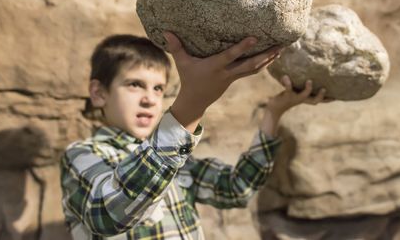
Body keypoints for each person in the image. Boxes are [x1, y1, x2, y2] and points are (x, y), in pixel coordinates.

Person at [60, 32, 326, 239]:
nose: (149, 99)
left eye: (158, 89)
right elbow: (108, 214)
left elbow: (236, 189)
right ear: (99, 93)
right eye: (135, 85)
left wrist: (273, 113)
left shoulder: (178, 161)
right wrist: (191, 105)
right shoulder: (83, 154)